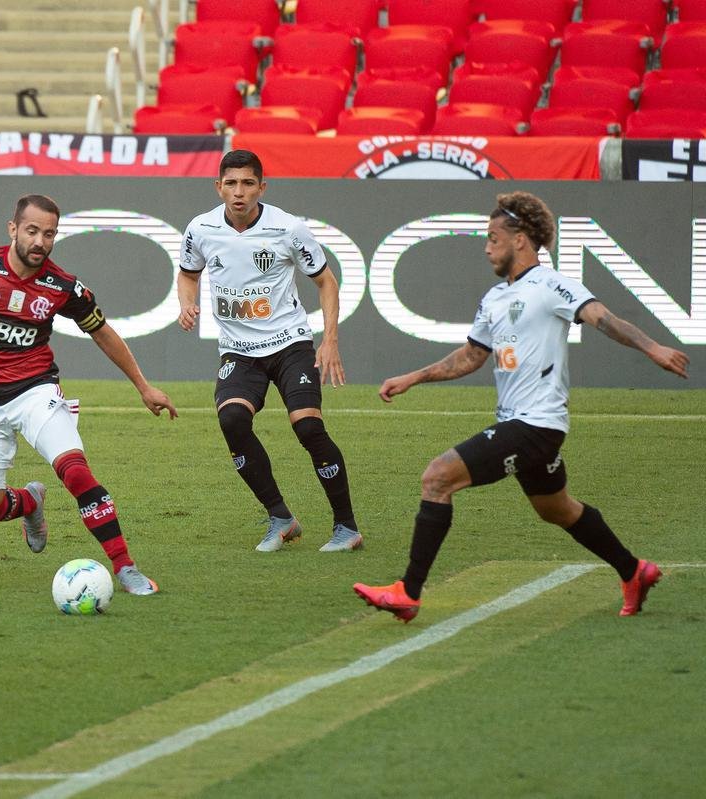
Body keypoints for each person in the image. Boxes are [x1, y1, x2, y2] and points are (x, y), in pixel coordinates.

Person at [354, 191, 690, 623]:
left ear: (522, 240)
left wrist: (652, 348)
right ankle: (634, 570)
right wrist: (413, 378)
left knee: (437, 478)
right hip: (521, 423)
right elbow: (472, 356)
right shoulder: (494, 298)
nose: (486, 245)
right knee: (557, 509)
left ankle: (407, 592)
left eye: (494, 237)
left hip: (536, 424)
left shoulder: (553, 286)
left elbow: (605, 318)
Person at [0, 193, 177, 596]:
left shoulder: (62, 286)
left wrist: (143, 386)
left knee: (75, 470)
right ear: (13, 229)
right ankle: (30, 502)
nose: (40, 241)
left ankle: (124, 567)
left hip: (35, 391)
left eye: (49, 234)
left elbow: (102, 332)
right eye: (32, 231)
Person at [178, 149, 363, 553]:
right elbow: (188, 273)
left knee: (308, 427)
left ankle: (346, 527)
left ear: (262, 187)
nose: (239, 192)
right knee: (232, 422)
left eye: (247, 184)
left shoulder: (289, 229)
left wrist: (329, 339)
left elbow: (326, 282)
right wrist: (185, 302)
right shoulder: (201, 228)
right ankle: (280, 516)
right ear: (218, 187)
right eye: (231, 183)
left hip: (290, 344)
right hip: (238, 350)